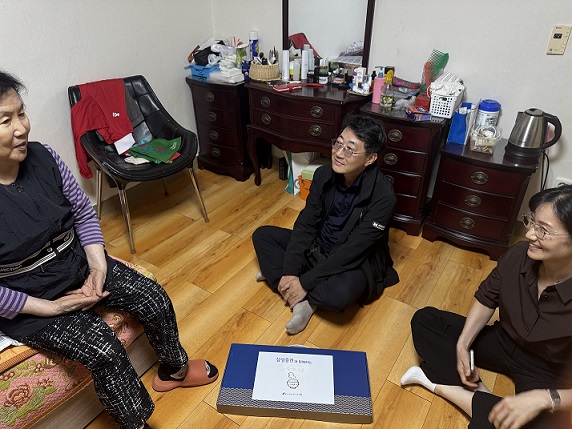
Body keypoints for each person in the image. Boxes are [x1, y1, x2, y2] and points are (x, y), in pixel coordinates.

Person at [0, 70, 218, 429]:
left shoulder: (45, 156)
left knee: (154, 298)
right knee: (104, 348)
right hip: (32, 298)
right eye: (5, 121)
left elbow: (83, 213)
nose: (22, 127)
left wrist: (98, 268)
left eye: (21, 113)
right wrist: (51, 307)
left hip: (77, 263)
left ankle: (174, 370)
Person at [401, 185, 572, 428]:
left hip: (543, 369)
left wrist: (545, 398)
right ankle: (486, 401)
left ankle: (442, 387)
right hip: (502, 340)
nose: (529, 234)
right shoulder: (519, 254)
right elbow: (487, 297)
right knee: (426, 320)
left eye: (543, 230)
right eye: (532, 222)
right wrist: (463, 344)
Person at [252, 114, 399, 335]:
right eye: (338, 143)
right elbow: (306, 225)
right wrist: (291, 271)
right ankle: (290, 284)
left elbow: (354, 251)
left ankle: (299, 294)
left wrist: (304, 283)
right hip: (317, 247)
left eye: (350, 149)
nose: (338, 153)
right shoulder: (323, 174)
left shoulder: (383, 196)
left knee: (341, 293)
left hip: (349, 260)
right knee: (263, 236)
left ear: (370, 159)